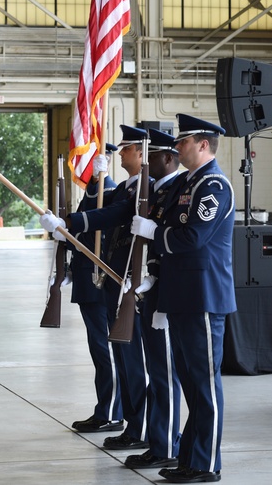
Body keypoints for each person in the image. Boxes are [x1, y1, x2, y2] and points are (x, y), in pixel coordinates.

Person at [131, 114, 236, 484]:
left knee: (205, 384)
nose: (177, 148)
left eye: (184, 142)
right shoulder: (188, 185)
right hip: (181, 295)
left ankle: (207, 464)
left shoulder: (214, 186)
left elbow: (191, 238)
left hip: (204, 296)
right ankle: (191, 457)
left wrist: (156, 232)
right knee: (191, 383)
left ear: (203, 145)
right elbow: (178, 233)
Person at [43, 126, 152, 452]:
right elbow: (97, 217)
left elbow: (102, 222)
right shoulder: (105, 189)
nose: (118, 154)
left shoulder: (114, 188)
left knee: (115, 355)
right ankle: (114, 413)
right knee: (106, 352)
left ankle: (115, 413)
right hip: (96, 279)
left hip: (107, 279)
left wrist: (71, 225)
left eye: (125, 148)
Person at [123, 127, 185, 471]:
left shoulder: (175, 190)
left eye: (151, 156)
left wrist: (156, 281)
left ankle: (167, 446)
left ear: (167, 158)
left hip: (163, 291)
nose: (144, 162)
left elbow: (176, 243)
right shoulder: (157, 192)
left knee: (165, 375)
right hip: (150, 289)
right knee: (156, 372)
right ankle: (157, 441)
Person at [66, 143, 122, 434]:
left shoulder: (110, 193)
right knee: (98, 349)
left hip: (99, 280)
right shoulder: (91, 193)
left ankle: (111, 412)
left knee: (105, 349)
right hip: (86, 279)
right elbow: (77, 232)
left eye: (89, 160)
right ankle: (106, 407)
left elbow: (100, 229)